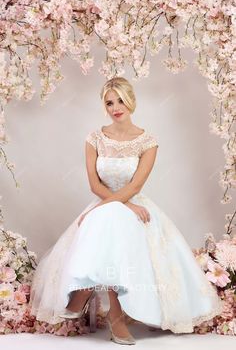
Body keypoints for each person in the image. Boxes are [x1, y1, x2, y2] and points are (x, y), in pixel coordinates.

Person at [29, 76, 223, 345]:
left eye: (120, 100)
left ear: (131, 100)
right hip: (109, 204)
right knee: (111, 219)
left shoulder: (147, 141)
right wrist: (118, 205)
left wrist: (124, 205)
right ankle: (115, 316)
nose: (115, 107)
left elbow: (136, 185)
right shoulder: (95, 138)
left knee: (112, 219)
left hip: (133, 206)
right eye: (109, 102)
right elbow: (94, 184)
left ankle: (84, 292)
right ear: (104, 106)